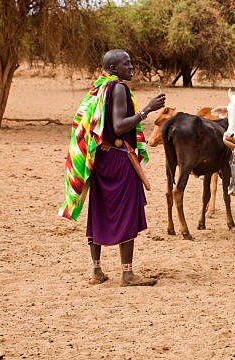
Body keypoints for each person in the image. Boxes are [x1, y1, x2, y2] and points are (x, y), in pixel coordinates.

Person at [59, 49, 166, 286]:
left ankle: (96, 271)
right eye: (126, 64)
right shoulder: (118, 88)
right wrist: (147, 109)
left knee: (97, 211)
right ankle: (127, 274)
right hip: (119, 161)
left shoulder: (101, 88)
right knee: (127, 213)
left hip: (102, 158)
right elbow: (118, 126)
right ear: (114, 69)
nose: (131, 67)